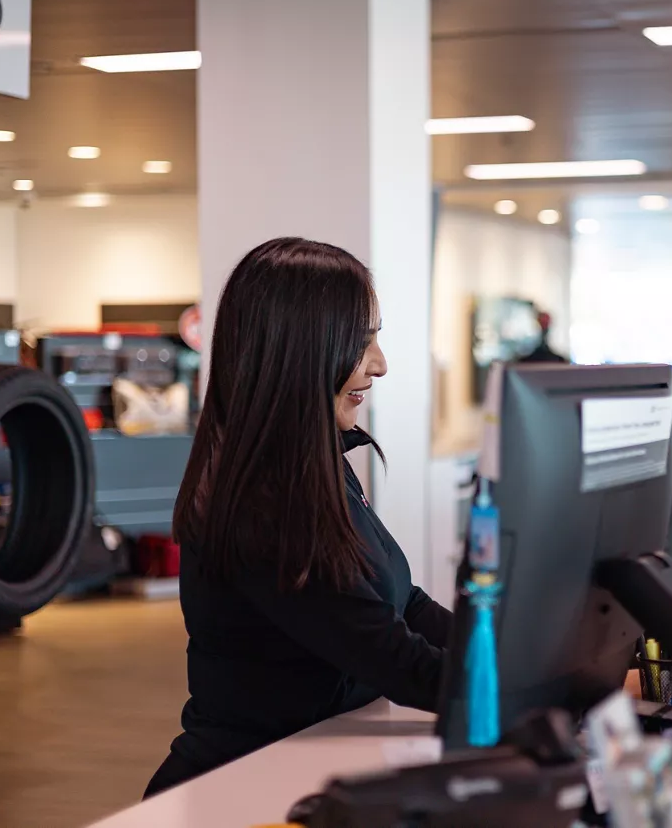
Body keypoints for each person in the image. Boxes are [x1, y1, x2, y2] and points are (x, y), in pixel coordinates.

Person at [145, 237, 452, 796]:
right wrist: (562, 685)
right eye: (362, 343)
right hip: (242, 791)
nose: (379, 365)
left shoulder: (317, 466)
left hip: (308, 767)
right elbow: (397, 660)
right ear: (299, 351)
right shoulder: (261, 505)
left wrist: (512, 650)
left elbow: (404, 605)